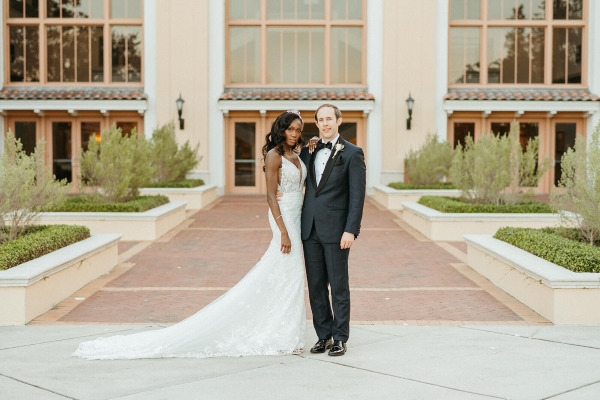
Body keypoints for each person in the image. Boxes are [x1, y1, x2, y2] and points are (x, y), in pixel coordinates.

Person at [73, 111, 307, 360]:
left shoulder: (297, 153)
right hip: (283, 219)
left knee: (290, 275)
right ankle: (286, 335)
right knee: (290, 272)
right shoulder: (274, 156)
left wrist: (311, 143)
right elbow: (271, 196)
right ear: (281, 129)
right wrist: (282, 231)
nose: (294, 134)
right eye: (290, 129)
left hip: (297, 215)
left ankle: (286, 330)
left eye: (298, 130)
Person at [300, 104, 366, 356]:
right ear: (316, 124)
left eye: (329, 119)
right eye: (321, 120)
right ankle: (323, 335)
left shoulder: (352, 153)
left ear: (339, 121)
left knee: (338, 286)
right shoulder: (309, 151)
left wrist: (351, 230)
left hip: (338, 231)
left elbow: (357, 196)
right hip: (310, 230)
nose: (325, 123)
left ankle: (340, 337)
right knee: (316, 286)